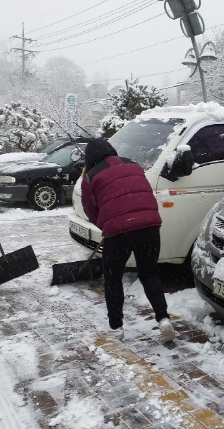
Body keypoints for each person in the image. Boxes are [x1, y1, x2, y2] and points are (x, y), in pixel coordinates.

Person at [80, 138, 175, 342]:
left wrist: (105, 225)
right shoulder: (133, 165)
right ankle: (163, 319)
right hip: (149, 228)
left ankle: (116, 327)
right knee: (149, 275)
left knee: (113, 279)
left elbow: (90, 209)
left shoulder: (91, 176)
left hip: (118, 235)